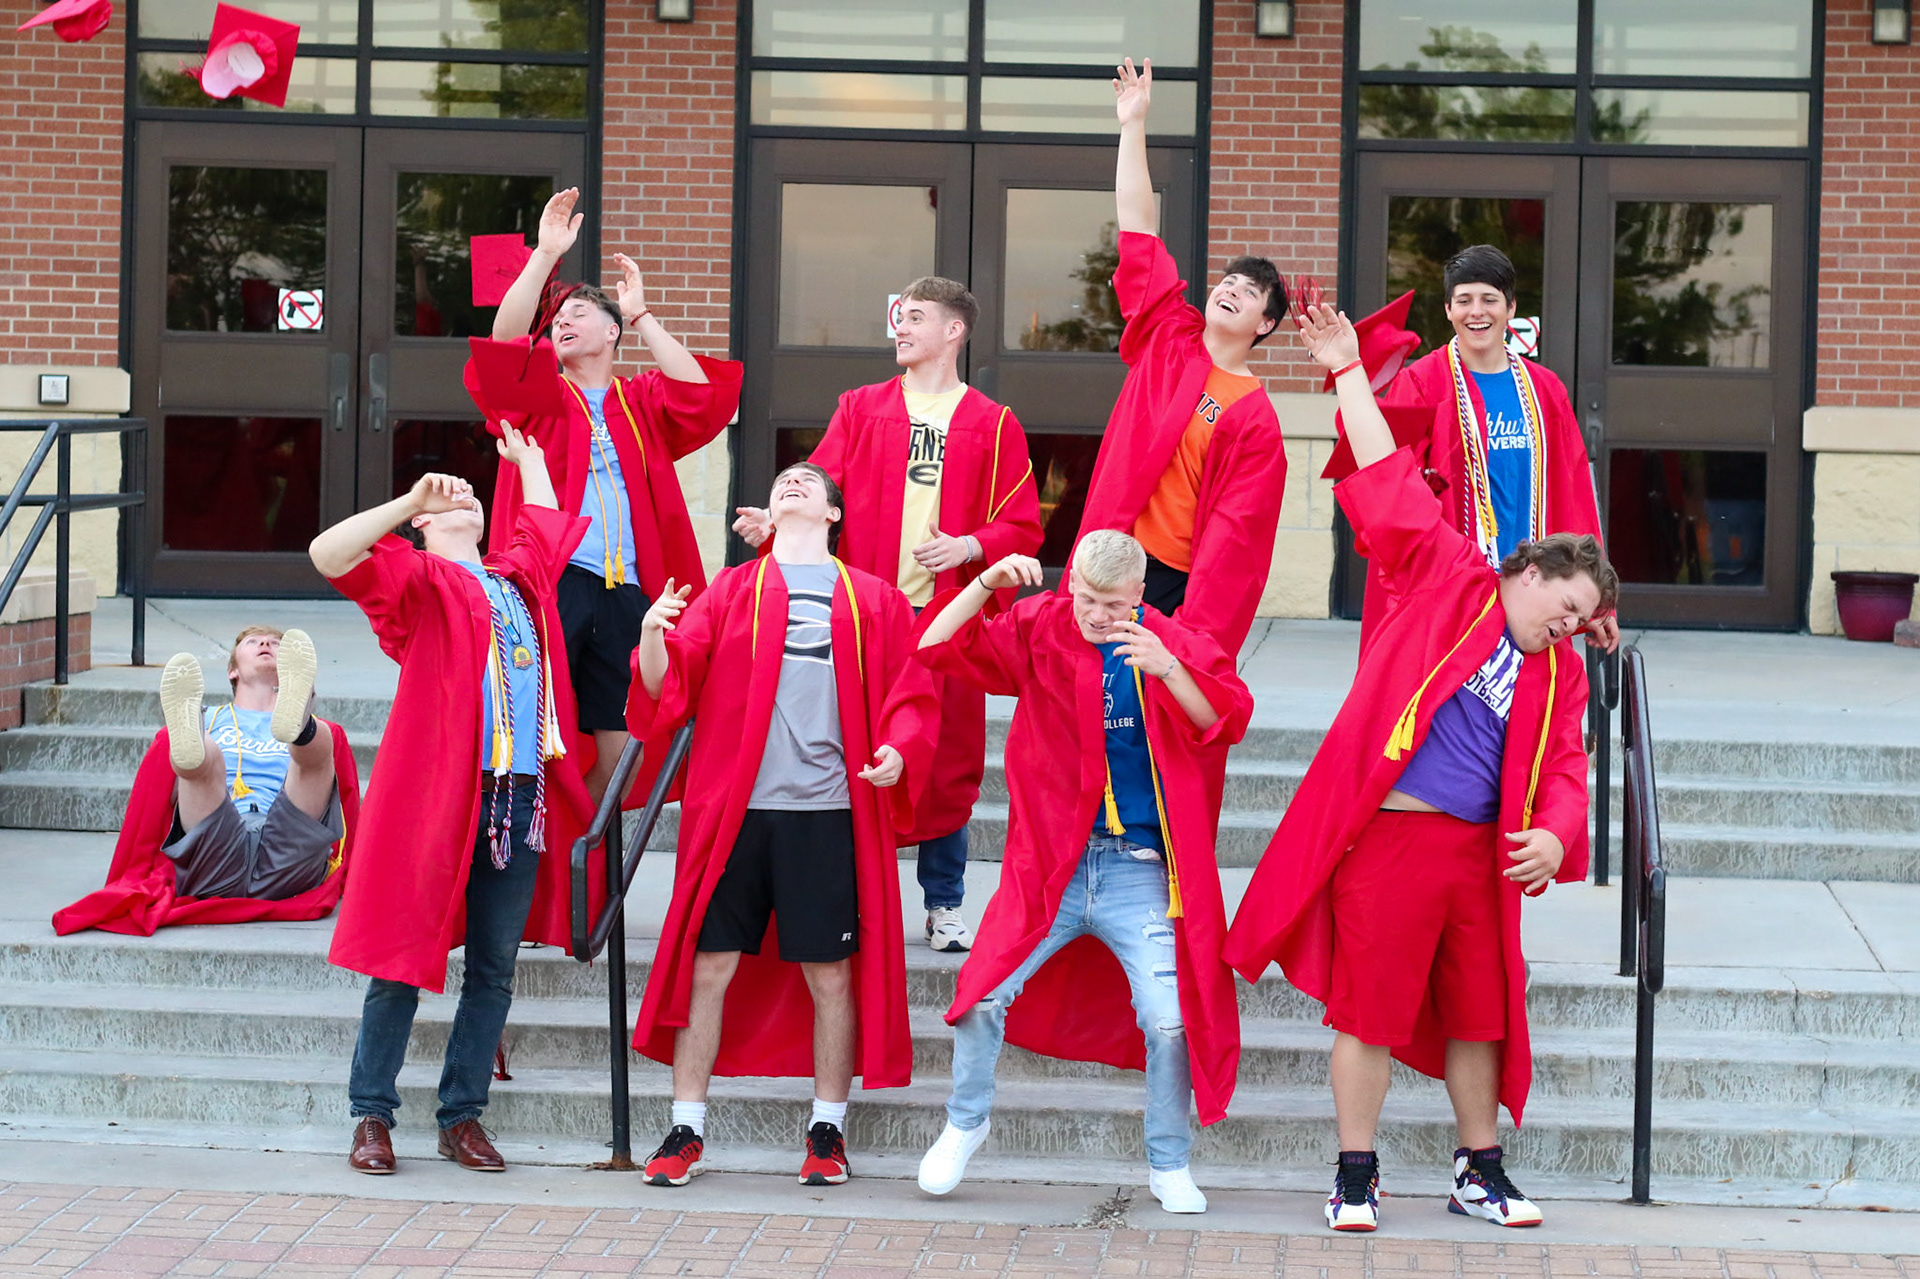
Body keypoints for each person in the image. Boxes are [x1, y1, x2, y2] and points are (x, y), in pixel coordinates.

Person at [1223, 303, 1618, 1233]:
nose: (1565, 627)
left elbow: (1567, 769)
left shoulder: (1558, 667)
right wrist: (1347, 371)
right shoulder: (1449, 578)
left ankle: (1479, 1168)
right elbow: (1389, 475)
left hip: (1481, 856)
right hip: (1394, 835)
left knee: (1482, 1014)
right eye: (1562, 606)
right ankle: (1354, 1174)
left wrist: (1556, 834)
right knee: (1366, 1011)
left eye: (1578, 620)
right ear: (1529, 572)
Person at [911, 530, 1252, 1216]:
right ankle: (966, 1121)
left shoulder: (1168, 642)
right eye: (1087, 600)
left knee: (1169, 1021)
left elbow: (1228, 718)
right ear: (1070, 588)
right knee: (980, 995)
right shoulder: (1041, 624)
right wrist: (982, 583)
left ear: (1140, 593)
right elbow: (934, 644)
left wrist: (1169, 670)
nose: (1097, 616)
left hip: (1138, 869)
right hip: (1052, 865)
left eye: (1114, 604)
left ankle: (1168, 1159)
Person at [629, 462, 935, 1189]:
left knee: (830, 974)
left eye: (807, 482)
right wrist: (649, 633)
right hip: (735, 811)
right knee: (709, 968)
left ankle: (827, 1129)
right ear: (769, 509)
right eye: (782, 481)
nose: (791, 483)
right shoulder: (733, 591)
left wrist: (899, 749)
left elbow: (912, 694)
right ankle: (686, 1127)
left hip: (828, 812)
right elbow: (668, 689)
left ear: (833, 511)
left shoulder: (876, 601)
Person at [310, 426, 593, 1178]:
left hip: (518, 796)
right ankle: (371, 1113)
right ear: (424, 530)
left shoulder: (516, 578)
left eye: (470, 492)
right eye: (447, 498)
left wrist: (528, 460)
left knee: (496, 965)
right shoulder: (418, 584)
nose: (462, 494)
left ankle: (461, 1117)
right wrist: (409, 498)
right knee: (402, 956)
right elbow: (328, 553)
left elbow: (545, 523)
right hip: (438, 794)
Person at [732, 277, 1042, 954]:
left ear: (953, 330)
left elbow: (1020, 523)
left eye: (917, 319)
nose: (900, 327)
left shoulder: (991, 422)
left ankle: (944, 902)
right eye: (899, 317)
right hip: (864, 618)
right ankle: (855, 898)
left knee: (949, 758)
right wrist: (776, 514)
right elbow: (818, 485)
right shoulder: (863, 407)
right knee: (857, 749)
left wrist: (970, 545)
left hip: (943, 622)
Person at [470, 186, 745, 802]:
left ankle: (582, 871)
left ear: (614, 332)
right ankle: (534, 872)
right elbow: (506, 341)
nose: (563, 322)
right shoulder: (538, 396)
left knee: (622, 752)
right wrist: (544, 255)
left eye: (579, 315)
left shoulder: (641, 399)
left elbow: (704, 396)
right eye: (558, 319)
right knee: (531, 733)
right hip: (552, 583)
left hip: (630, 593)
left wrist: (644, 315)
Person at [1070, 57, 1289, 654]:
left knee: (1144, 714)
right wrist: (1132, 124)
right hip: (1105, 550)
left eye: (1248, 293)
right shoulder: (1169, 334)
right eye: (1227, 282)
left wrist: (1198, 624)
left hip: (1168, 578)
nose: (1229, 291)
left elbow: (1238, 538)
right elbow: (1138, 225)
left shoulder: (1254, 416)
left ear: (1265, 324)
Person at [1348, 245, 1615, 652]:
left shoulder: (1545, 390)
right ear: (1448, 310)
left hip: (1534, 597)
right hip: (1451, 592)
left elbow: (1573, 489)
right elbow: (1392, 492)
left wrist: (1595, 603)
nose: (1477, 312)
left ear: (1510, 308)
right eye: (1464, 300)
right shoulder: (1422, 384)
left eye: (1489, 300)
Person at [51, 626, 360, 937]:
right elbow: (158, 799)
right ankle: (192, 754)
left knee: (316, 750)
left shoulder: (328, 733)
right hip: (215, 842)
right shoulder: (210, 720)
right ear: (232, 671)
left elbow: (345, 807)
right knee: (205, 751)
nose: (265, 643)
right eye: (253, 642)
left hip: (292, 847)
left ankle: (299, 725)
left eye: (276, 644)